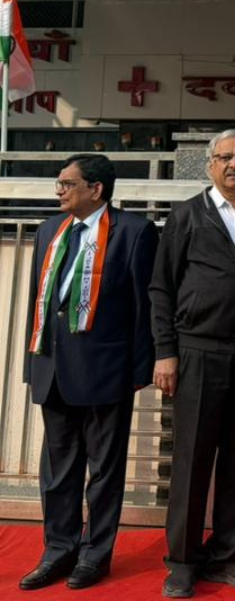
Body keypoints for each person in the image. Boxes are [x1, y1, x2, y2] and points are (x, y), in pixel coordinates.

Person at [150, 130, 235, 599]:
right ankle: (183, 560)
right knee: (191, 459)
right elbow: (162, 287)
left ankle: (228, 555)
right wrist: (165, 351)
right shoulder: (188, 215)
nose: (234, 164)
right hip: (198, 352)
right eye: (226, 157)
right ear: (210, 165)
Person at [20, 154, 158, 591]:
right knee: (57, 473)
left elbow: (144, 306)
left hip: (106, 372)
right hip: (54, 370)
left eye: (67, 183)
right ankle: (58, 551)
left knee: (103, 474)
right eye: (59, 183)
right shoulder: (49, 230)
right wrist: (32, 363)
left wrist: (141, 368)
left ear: (96, 189)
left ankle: (95, 555)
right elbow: (38, 302)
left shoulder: (134, 232)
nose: (59, 191)